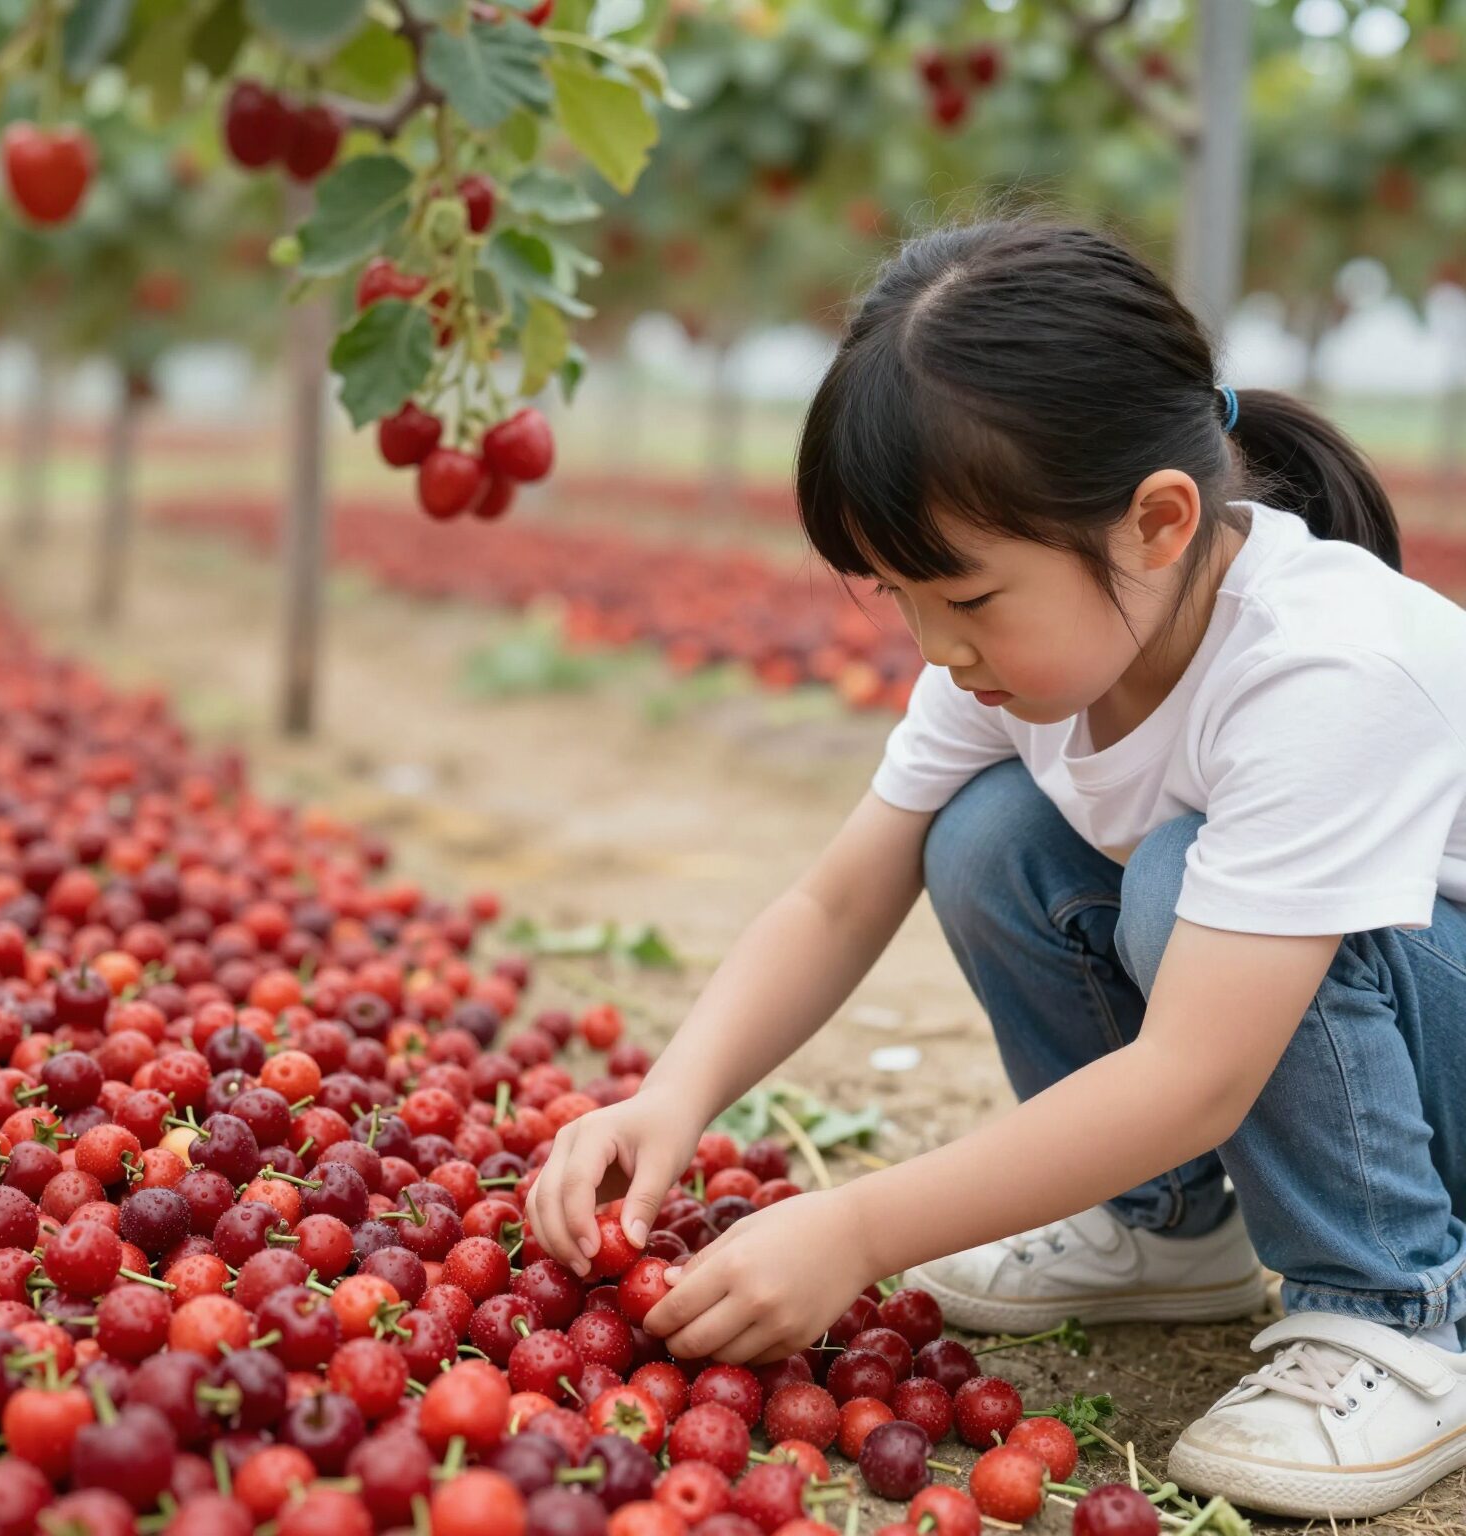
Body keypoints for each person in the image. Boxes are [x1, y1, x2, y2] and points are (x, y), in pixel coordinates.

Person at [525, 219, 1466, 1520]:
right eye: (899, 597)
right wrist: (667, 1101)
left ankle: (1398, 1311)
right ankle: (1164, 1230)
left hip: (1437, 1052)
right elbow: (840, 896)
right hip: (1361, 1034)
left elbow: (1197, 1073)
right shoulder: (1032, 653)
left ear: (1156, 522)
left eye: (964, 600)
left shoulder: (1331, 671)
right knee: (984, 836)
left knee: (1182, 874)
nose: (933, 643)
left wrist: (857, 1231)